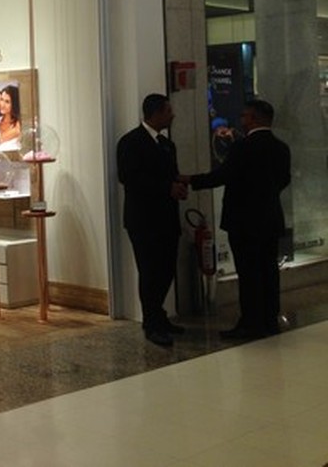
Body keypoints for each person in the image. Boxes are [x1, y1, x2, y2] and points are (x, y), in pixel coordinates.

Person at [184, 99, 291, 340]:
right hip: (270, 219)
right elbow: (284, 179)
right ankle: (269, 319)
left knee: (249, 272)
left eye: (244, 116)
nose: (241, 120)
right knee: (269, 271)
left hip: (244, 221)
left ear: (254, 119)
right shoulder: (281, 148)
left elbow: (222, 175)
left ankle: (250, 322)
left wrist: (191, 180)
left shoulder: (243, 147)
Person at [116, 93, 188, 348]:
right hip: (143, 220)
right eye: (168, 111)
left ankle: (159, 314)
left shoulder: (167, 145)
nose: (172, 115)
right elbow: (128, 177)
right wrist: (166, 188)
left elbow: (172, 174)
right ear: (156, 113)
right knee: (150, 272)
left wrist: (179, 186)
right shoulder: (130, 142)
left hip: (167, 218)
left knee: (166, 269)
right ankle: (152, 323)